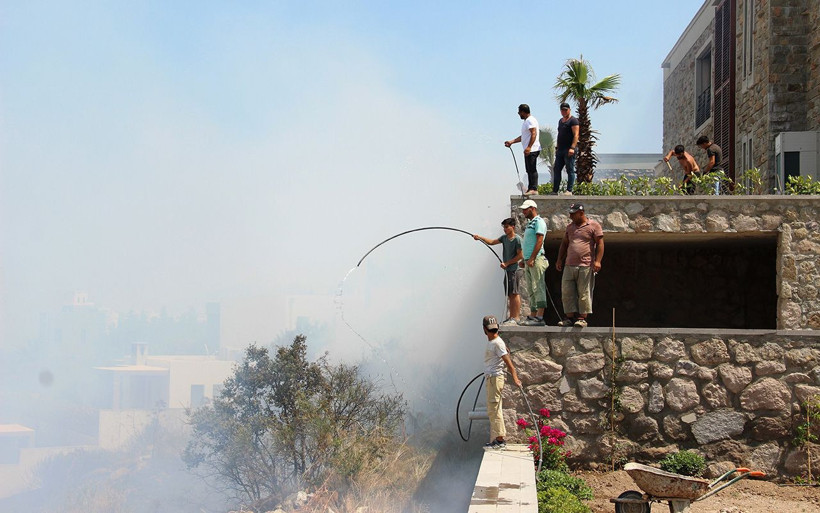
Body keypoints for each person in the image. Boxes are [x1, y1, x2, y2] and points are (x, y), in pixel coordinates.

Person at [555, 203, 604, 328]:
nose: (570, 215)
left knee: (584, 292)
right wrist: (559, 259)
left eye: (573, 213)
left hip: (586, 265)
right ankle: (569, 318)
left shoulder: (593, 226)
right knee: (567, 291)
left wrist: (597, 261)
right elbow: (564, 244)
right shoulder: (570, 227)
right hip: (569, 264)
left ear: (581, 213)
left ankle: (582, 318)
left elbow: (600, 244)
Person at [481, 315, 522, 450]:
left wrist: (515, 378)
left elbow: (509, 363)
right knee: (493, 408)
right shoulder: (495, 342)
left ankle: (500, 440)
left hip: (495, 379)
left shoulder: (497, 343)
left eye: (494, 330)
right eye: (490, 329)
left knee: (494, 409)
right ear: (485, 330)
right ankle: (498, 439)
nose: (492, 332)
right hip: (491, 378)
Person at [473, 218, 524, 325]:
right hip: (508, 270)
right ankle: (511, 317)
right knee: (510, 293)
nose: (504, 229)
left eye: (506, 227)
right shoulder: (504, 238)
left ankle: (516, 317)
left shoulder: (517, 239)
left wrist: (507, 263)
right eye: (504, 227)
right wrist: (479, 238)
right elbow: (492, 242)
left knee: (515, 293)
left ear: (512, 227)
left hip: (514, 270)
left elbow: (520, 255)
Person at [518, 199, 549, 326]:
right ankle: (533, 315)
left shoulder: (539, 222)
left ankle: (540, 317)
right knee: (531, 288)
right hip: (529, 260)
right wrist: (524, 259)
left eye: (526, 209)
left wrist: (531, 258)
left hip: (536, 259)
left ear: (532, 208)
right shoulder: (530, 223)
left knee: (538, 286)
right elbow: (528, 243)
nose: (523, 211)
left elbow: (539, 240)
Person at [505, 104, 542, 195]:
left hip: (532, 149)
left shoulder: (530, 120)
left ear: (523, 112)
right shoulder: (526, 122)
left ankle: (534, 188)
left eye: (519, 112)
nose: (519, 114)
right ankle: (530, 188)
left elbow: (534, 134)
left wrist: (529, 147)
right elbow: (524, 136)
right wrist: (512, 141)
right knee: (529, 169)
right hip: (528, 149)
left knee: (532, 169)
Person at [552, 102, 579, 195]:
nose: (564, 112)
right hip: (560, 150)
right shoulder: (560, 121)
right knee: (556, 169)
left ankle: (569, 190)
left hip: (569, 149)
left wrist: (572, 147)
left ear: (569, 110)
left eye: (565, 110)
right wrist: (557, 147)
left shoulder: (573, 121)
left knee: (570, 169)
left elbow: (576, 135)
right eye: (562, 110)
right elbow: (560, 134)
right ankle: (555, 190)